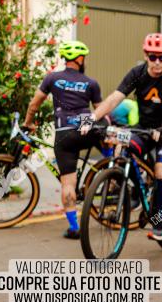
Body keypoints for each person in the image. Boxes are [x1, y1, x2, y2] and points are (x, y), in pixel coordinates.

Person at [86, 33, 162, 242]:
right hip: (145, 127)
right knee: (121, 147)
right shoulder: (137, 72)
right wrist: (92, 118)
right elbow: (115, 98)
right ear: (145, 55)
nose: (157, 62)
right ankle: (134, 189)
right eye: (153, 57)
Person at [22, 40, 102, 240]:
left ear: (65, 59)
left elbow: (34, 104)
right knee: (104, 139)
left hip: (65, 129)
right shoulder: (91, 83)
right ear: (81, 59)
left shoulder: (52, 78)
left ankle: (75, 227)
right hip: (86, 124)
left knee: (68, 182)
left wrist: (28, 123)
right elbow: (101, 112)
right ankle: (116, 169)